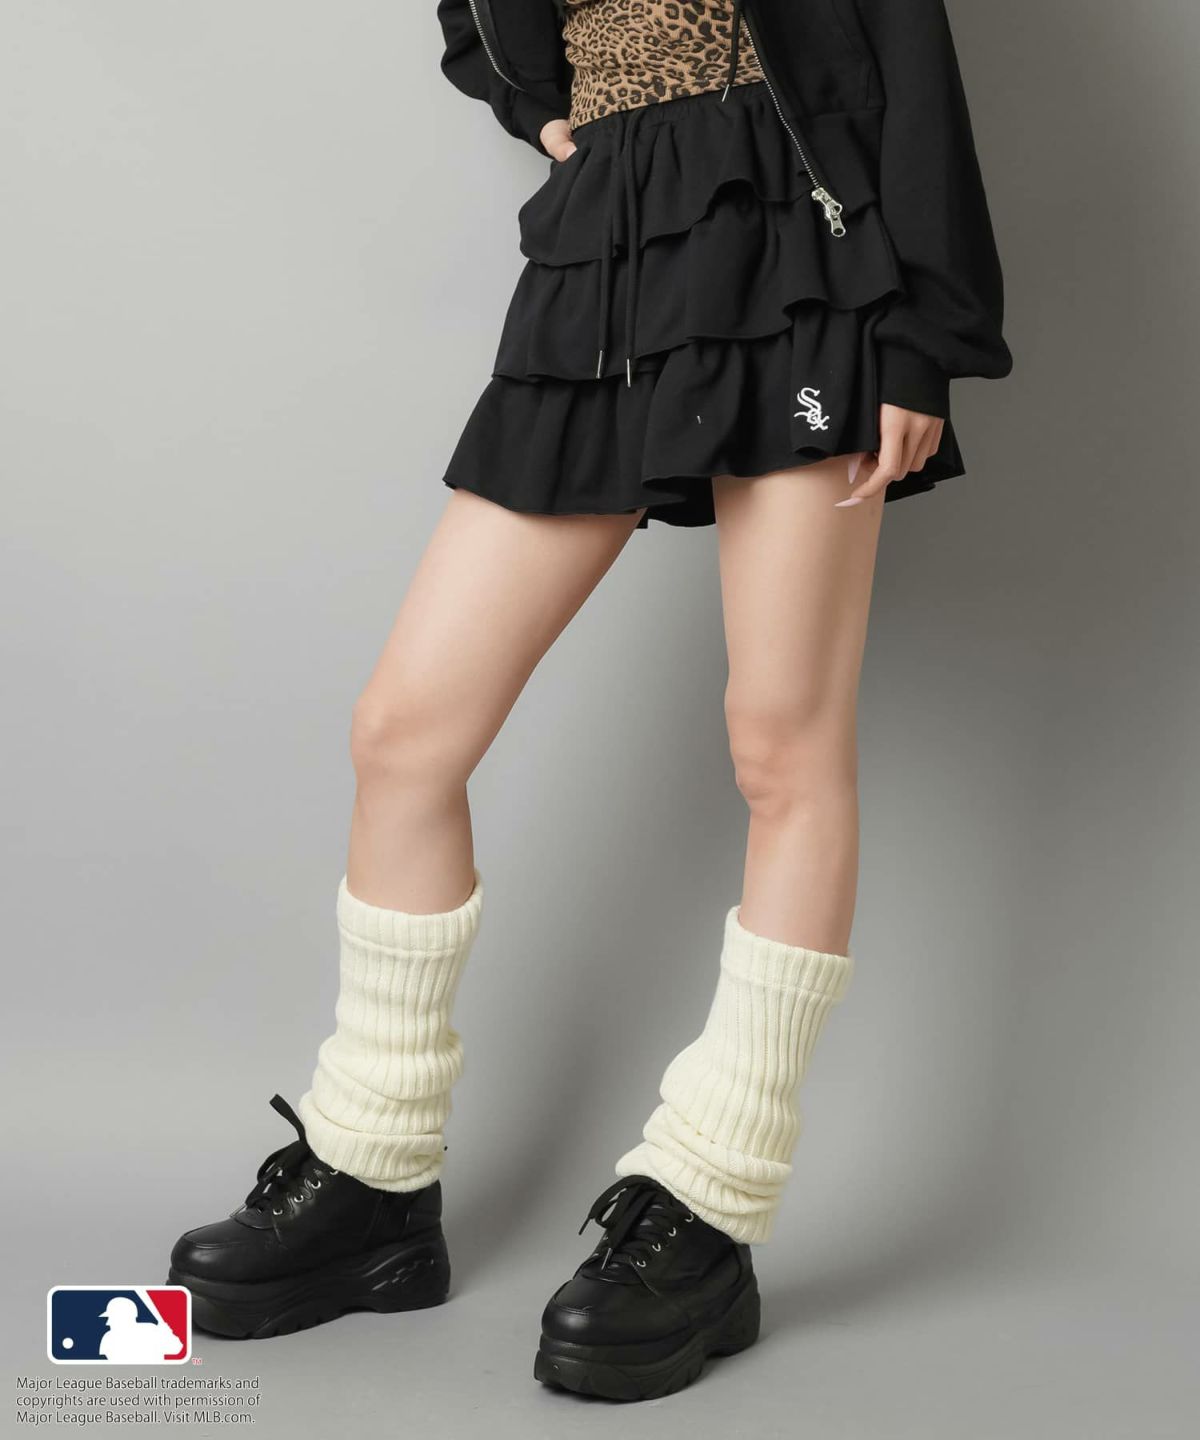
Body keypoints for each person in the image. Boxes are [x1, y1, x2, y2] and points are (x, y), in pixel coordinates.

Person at [168, 0, 1010, 1402]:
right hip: (608, 228)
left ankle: (710, 1203)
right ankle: (374, 1169)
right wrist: (535, 100)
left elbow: (905, 48)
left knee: (783, 746)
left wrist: (925, 332)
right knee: (406, 733)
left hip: (794, 227)